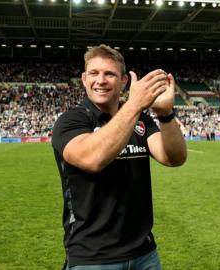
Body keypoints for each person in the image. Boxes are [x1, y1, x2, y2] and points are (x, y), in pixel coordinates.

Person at [52, 44, 187, 269]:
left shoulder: (142, 120)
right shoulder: (71, 121)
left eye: (110, 74)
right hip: (93, 257)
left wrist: (165, 114)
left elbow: (173, 158)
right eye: (94, 73)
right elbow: (93, 159)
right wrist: (134, 105)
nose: (101, 80)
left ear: (124, 81)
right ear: (84, 79)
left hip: (144, 253)